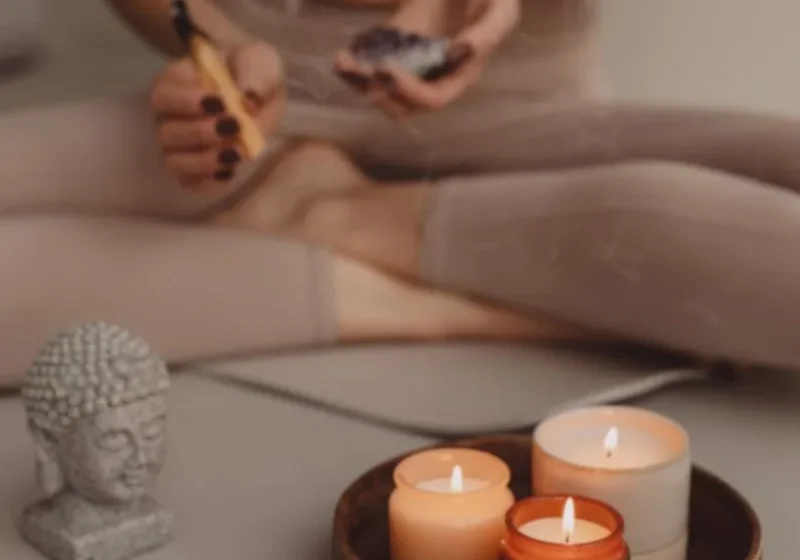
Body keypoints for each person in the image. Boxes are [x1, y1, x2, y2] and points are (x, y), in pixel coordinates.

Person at [3, 0, 800, 388]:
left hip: (515, 113)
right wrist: (219, 49)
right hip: (265, 107)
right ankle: (422, 289)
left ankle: (358, 225)